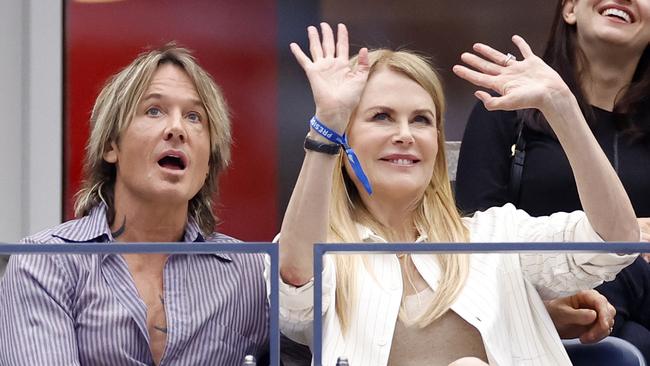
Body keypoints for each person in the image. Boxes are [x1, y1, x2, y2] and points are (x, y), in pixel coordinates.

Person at [277, 22, 638, 366]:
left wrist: (563, 109)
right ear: (345, 139)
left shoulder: (496, 235)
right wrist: (328, 124)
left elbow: (615, 242)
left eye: (421, 120)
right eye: (382, 117)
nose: (405, 134)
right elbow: (295, 288)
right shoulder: (318, 248)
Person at [0, 45, 268, 365]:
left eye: (194, 116)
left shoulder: (251, 272)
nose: (177, 129)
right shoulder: (45, 264)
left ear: (209, 162)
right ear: (112, 145)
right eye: (153, 111)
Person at [455, 0, 650, 359]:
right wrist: (543, 303)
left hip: (634, 296)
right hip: (536, 296)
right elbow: (475, 230)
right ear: (570, 8)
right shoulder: (511, 108)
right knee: (631, 338)